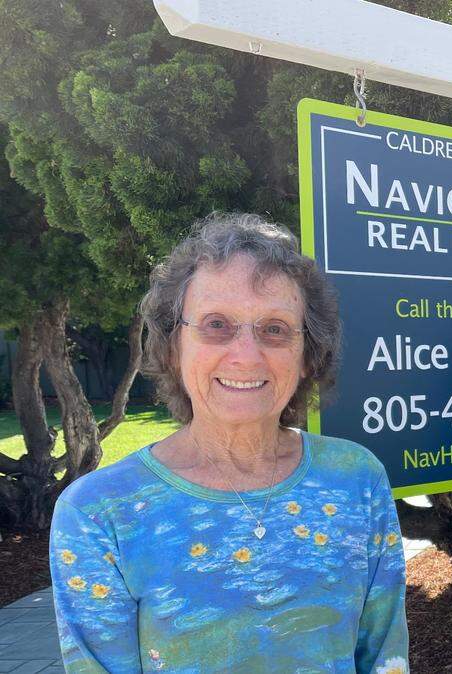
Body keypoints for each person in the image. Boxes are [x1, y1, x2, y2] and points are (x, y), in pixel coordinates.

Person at [49, 213, 409, 673]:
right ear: (174, 346)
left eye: (275, 329)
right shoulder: (100, 514)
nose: (245, 354)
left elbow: (384, 658)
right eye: (216, 324)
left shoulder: (356, 479)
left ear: (307, 356)